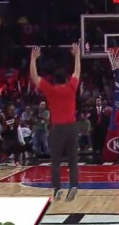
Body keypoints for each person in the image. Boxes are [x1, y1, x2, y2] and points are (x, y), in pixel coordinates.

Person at [29, 42, 81, 202]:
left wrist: (33, 59)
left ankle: (57, 189)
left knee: (56, 161)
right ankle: (73, 185)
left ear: (54, 79)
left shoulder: (50, 90)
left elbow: (34, 77)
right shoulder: (71, 87)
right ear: (66, 78)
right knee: (73, 160)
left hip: (57, 128)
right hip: (72, 127)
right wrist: (77, 56)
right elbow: (77, 72)